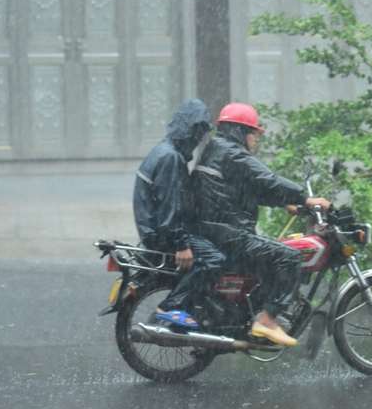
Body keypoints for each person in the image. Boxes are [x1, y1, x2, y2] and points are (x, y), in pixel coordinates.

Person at [192, 103, 331, 346]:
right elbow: (269, 181)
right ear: (240, 130)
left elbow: (246, 189)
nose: (256, 138)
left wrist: (284, 204)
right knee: (288, 256)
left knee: (272, 256)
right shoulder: (234, 153)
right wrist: (307, 199)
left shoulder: (218, 149)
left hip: (215, 231)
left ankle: (254, 312)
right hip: (228, 235)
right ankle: (266, 320)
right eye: (254, 132)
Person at [132, 99, 225, 329]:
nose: (202, 138)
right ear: (190, 130)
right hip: (162, 234)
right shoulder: (170, 158)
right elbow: (170, 209)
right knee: (215, 260)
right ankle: (172, 307)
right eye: (200, 132)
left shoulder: (166, 151)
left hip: (157, 229)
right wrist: (181, 244)